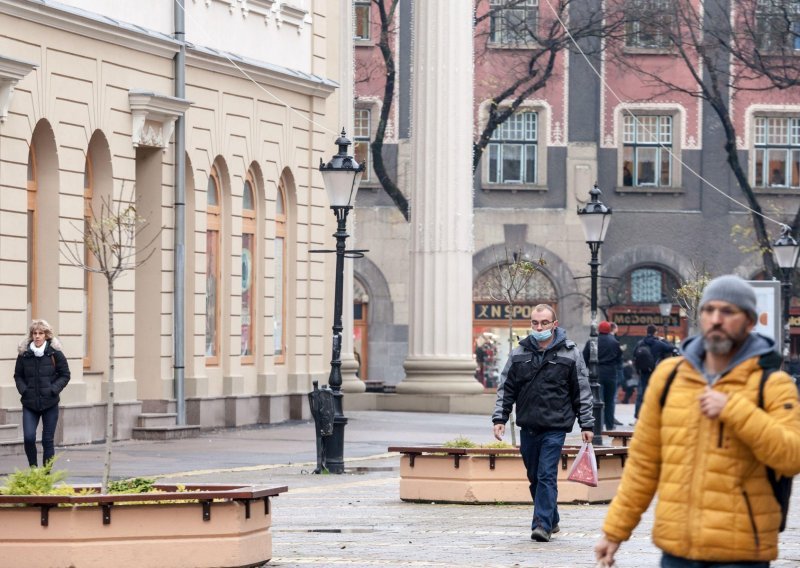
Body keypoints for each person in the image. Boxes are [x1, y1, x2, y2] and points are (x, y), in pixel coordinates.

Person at [595, 275, 800, 567]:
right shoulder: (670, 377)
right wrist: (614, 532)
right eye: (709, 310)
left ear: (751, 322)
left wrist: (736, 410)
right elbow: (643, 464)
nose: (716, 319)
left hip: (741, 554)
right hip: (677, 550)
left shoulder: (773, 384)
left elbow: (792, 457)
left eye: (728, 312)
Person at [492, 304, 595, 542]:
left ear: (554, 324)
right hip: (529, 426)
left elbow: (582, 390)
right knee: (535, 477)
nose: (539, 327)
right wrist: (500, 417)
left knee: (546, 474)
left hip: (555, 427)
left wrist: (587, 425)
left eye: (544, 323)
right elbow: (506, 387)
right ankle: (552, 517)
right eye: (535, 323)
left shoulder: (570, 353)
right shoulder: (519, 352)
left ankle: (542, 525)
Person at [14, 319, 71, 468]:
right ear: (31, 335)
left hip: (50, 403)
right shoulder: (24, 354)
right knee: (28, 438)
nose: (37, 336)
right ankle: (34, 470)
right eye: (35, 333)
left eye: (41, 333)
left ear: (46, 335)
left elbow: (65, 374)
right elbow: (18, 375)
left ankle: (46, 476)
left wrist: (53, 389)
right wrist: (24, 390)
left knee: (47, 440)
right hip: (30, 403)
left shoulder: (55, 353)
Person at [583, 321, 623, 431]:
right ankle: (610, 425)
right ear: (609, 329)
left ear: (598, 329)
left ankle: (597, 426)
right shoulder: (615, 342)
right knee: (610, 401)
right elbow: (619, 359)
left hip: (596, 374)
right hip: (611, 374)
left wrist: (587, 370)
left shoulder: (592, 341)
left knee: (596, 401)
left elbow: (585, 356)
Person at [633, 324, 675, 419]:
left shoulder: (640, 343)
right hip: (655, 372)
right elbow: (671, 348)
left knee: (641, 394)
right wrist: (663, 340)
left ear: (646, 331)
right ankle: (652, 415)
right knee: (655, 393)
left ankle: (638, 416)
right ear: (656, 332)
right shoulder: (658, 343)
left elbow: (634, 354)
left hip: (643, 372)